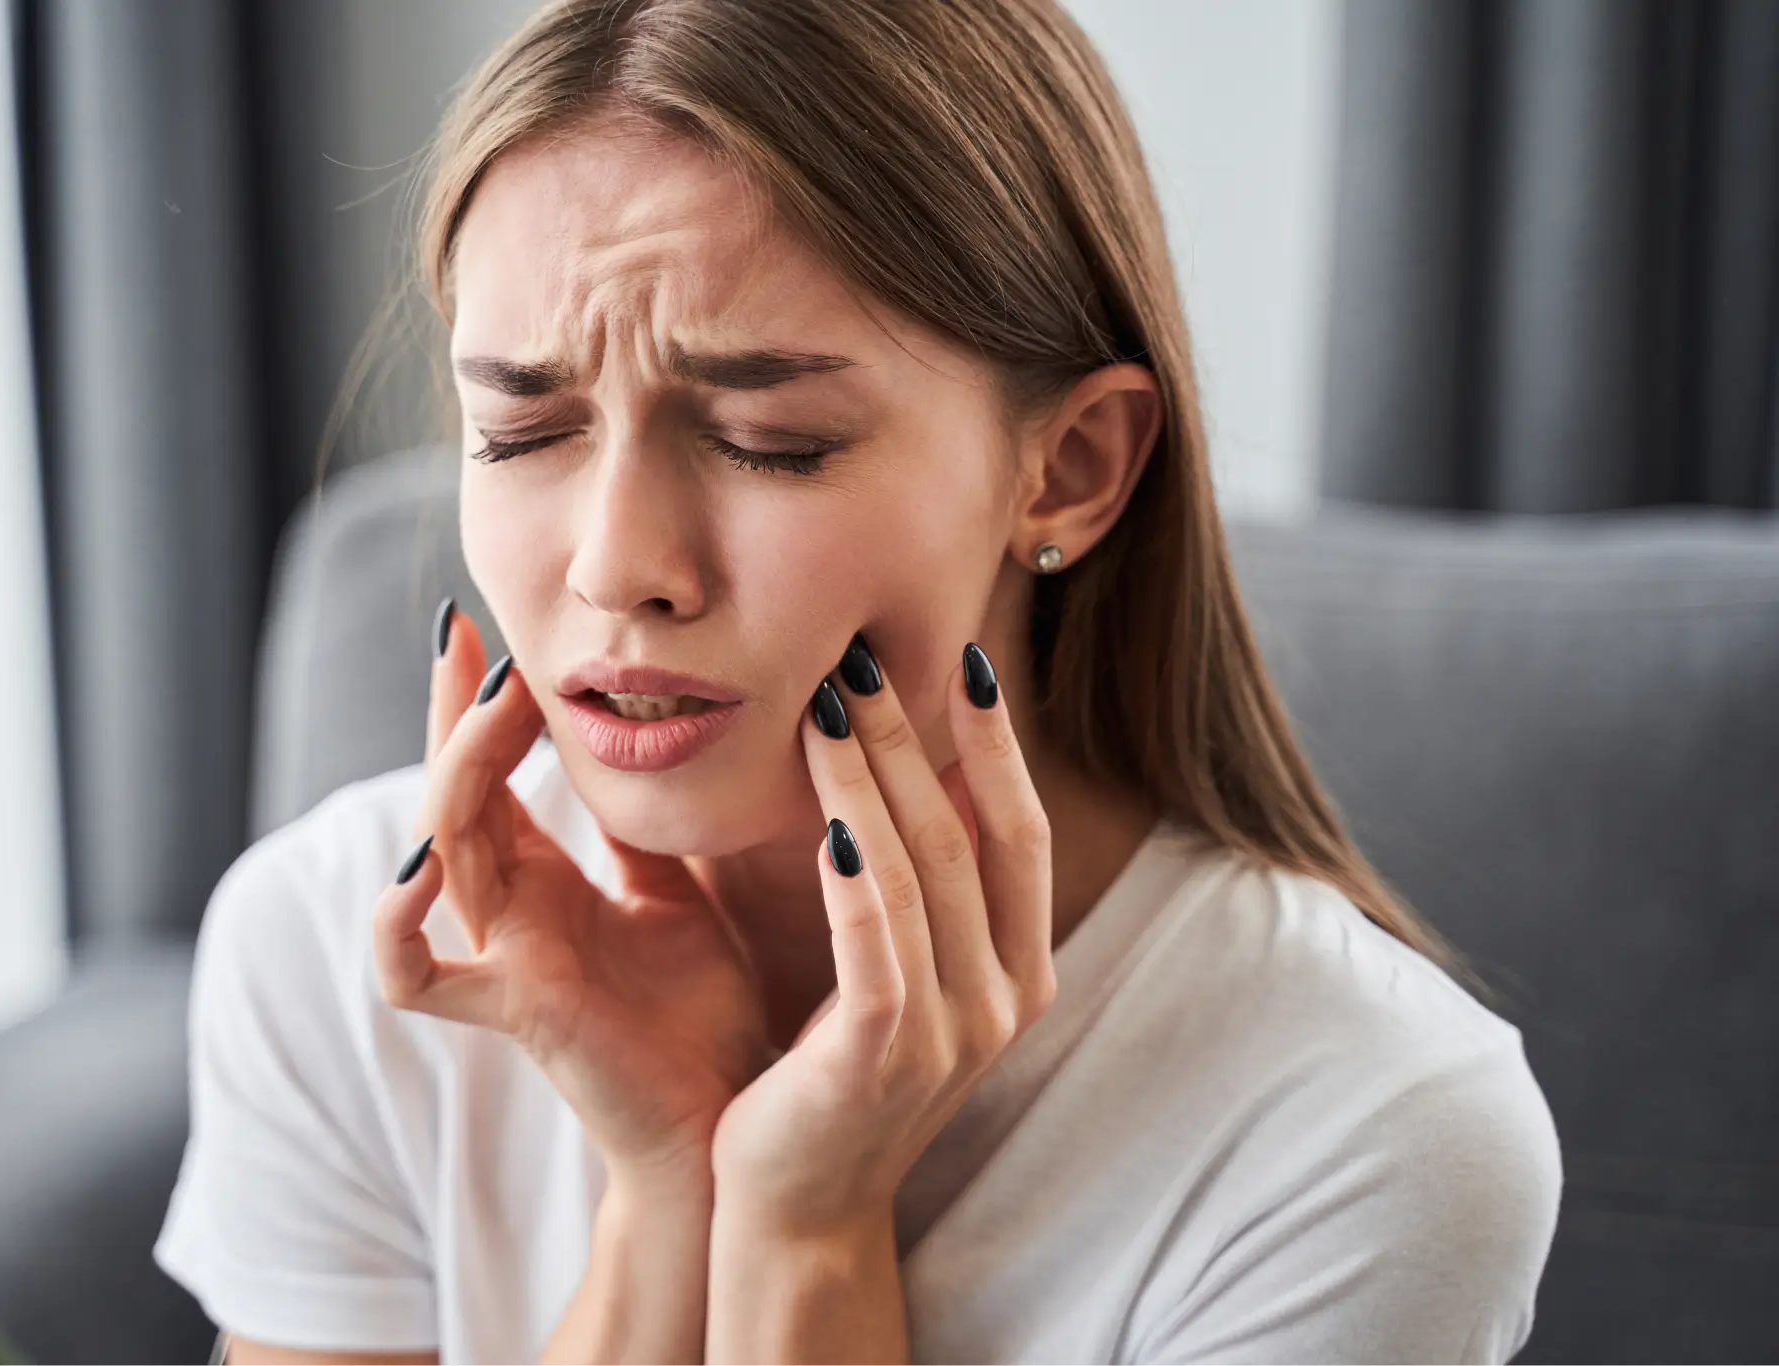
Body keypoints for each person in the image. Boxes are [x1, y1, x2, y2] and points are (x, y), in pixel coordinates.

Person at [153, 1, 1563, 1362]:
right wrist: (667, 1193)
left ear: (1067, 468)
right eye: (523, 429)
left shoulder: (1374, 1132)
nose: (617, 565)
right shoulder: (339, 943)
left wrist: (807, 1225)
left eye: (771, 439)